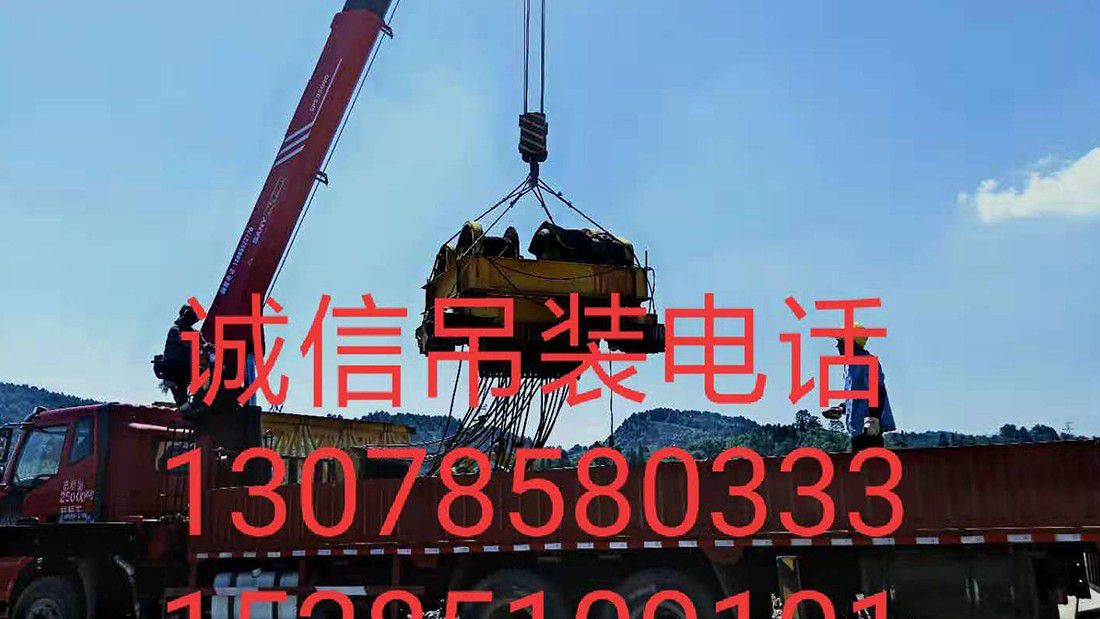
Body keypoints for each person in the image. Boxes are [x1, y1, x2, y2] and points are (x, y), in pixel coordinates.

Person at [821, 322, 896, 452]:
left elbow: (878, 390)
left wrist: (873, 418)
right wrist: (842, 408)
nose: (837, 346)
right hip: (857, 430)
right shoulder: (849, 365)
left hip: (869, 430)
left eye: (841, 342)